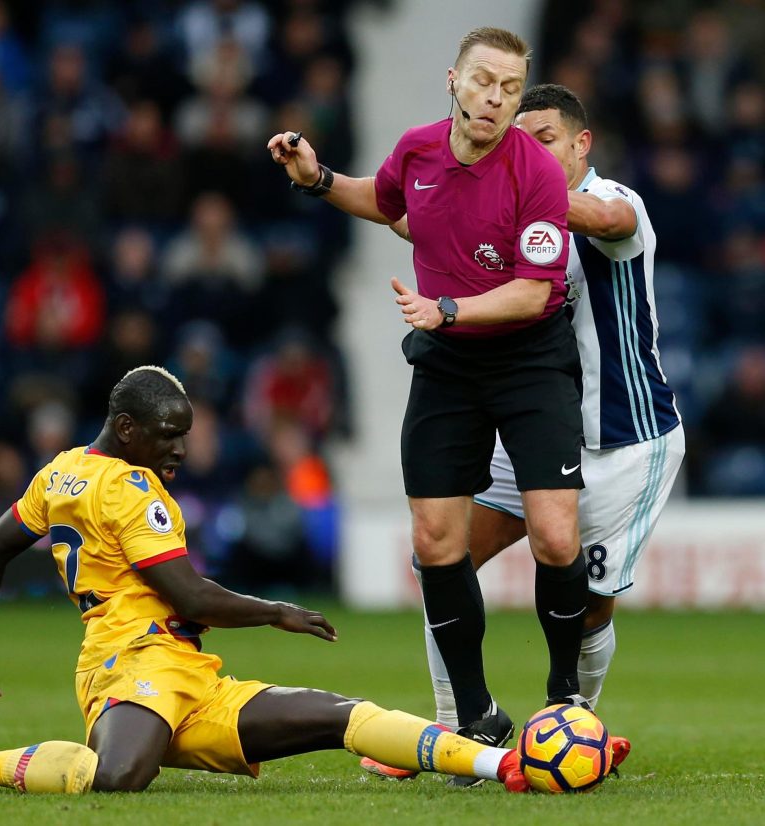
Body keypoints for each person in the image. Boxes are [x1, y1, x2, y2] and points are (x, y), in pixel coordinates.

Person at [0, 366, 538, 795]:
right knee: (119, 777)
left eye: (184, 433)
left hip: (186, 672)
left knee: (343, 717)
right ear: (126, 429)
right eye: (166, 434)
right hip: (129, 666)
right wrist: (274, 611)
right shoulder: (131, 489)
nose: (180, 448)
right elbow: (189, 594)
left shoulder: (58, 471)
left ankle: (499, 767)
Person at [268, 26, 589, 750]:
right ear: (454, 80)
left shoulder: (535, 172)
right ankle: (475, 714)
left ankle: (565, 697)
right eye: (484, 81)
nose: (495, 99)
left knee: (555, 533)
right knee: (435, 540)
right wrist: (317, 180)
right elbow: (385, 203)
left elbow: (534, 293)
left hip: (529, 360)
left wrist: (446, 309)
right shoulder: (416, 151)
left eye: (510, 88)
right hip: (448, 366)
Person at [363, 83, 681, 780]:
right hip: (539, 421)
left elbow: (602, 217)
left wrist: (510, 177)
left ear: (579, 144)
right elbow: (415, 219)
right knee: (438, 558)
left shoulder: (617, 201)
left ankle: (573, 727)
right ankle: (457, 735)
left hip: (626, 437)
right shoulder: (510, 212)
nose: (525, 149)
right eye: (517, 137)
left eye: (539, 140)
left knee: (589, 602)